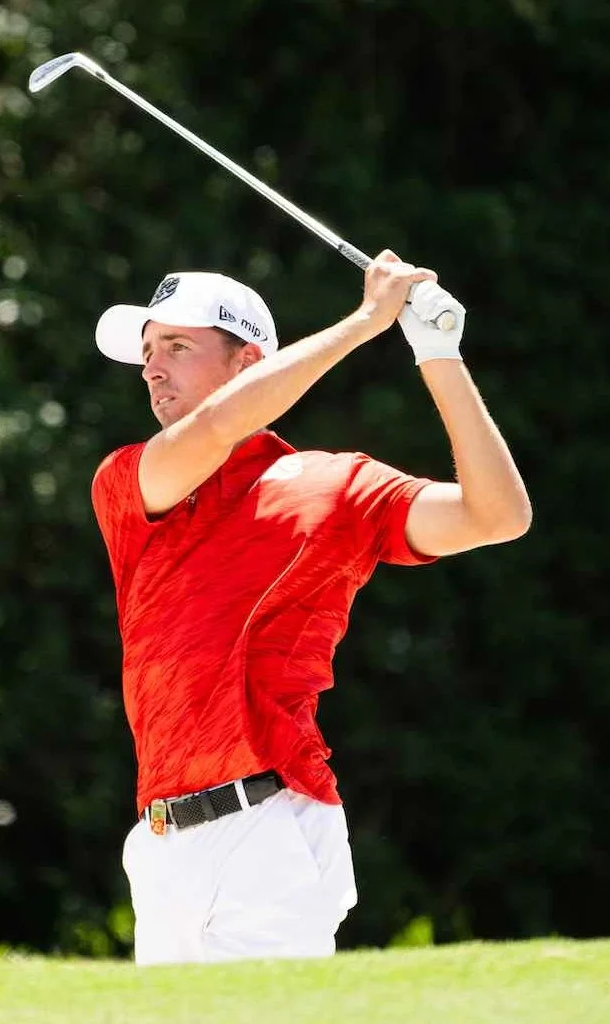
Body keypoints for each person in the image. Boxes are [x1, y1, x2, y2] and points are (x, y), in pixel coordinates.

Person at [89, 251, 531, 966]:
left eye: (176, 346)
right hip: (162, 842)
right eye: (147, 352)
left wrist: (437, 354)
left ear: (246, 362)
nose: (152, 369)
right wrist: (365, 322)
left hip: (267, 822)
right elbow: (213, 431)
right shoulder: (129, 480)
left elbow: (498, 515)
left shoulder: (338, 486)